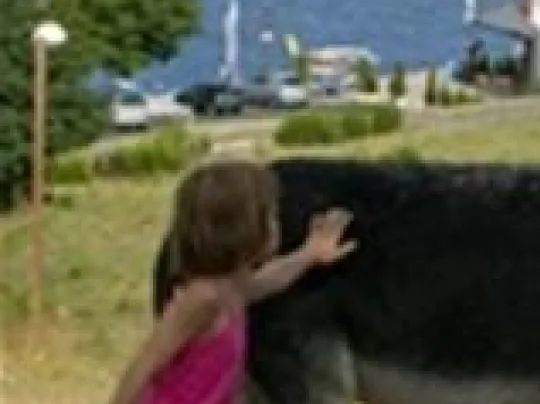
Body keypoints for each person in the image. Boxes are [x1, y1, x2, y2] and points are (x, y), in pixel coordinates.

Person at [109, 159, 358, 404]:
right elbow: (146, 363)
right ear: (244, 229)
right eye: (270, 216)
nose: (276, 224)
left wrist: (310, 254)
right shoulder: (202, 298)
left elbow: (271, 279)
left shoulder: (229, 288)